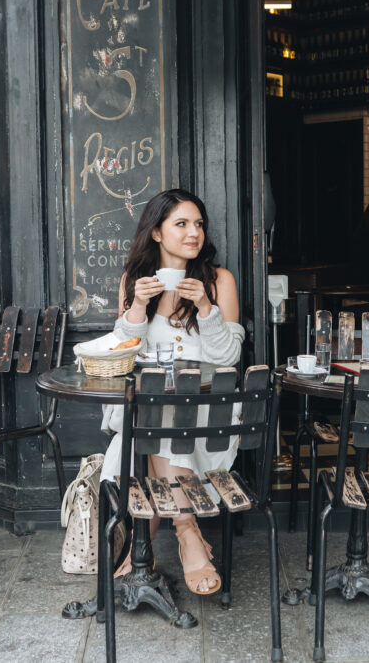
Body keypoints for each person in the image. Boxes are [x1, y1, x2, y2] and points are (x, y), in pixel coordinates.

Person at [100, 188, 244, 595]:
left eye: (198, 224)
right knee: (155, 419)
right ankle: (186, 531)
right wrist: (136, 309)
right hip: (152, 408)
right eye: (181, 224)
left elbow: (229, 356)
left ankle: (148, 548)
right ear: (158, 233)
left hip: (206, 413)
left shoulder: (218, 281)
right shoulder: (135, 281)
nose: (193, 232)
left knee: (156, 427)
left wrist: (206, 309)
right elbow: (123, 355)